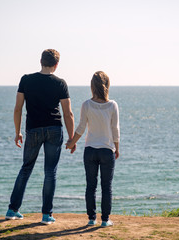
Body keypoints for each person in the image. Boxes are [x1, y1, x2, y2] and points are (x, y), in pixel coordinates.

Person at [5, 49, 76, 225]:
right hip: (54, 129)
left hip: (33, 129)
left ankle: (12, 210)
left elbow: (18, 108)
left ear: (40, 61)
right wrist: (72, 138)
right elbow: (68, 114)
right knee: (50, 171)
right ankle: (46, 215)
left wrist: (17, 132)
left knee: (26, 168)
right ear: (56, 65)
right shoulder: (60, 83)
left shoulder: (26, 80)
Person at [66, 71, 120, 228]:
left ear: (92, 86)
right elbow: (115, 129)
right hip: (106, 150)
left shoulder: (87, 104)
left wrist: (71, 143)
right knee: (106, 186)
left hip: (90, 150)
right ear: (107, 86)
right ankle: (105, 220)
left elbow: (81, 128)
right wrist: (117, 148)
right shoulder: (112, 105)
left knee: (91, 185)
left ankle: (91, 218)